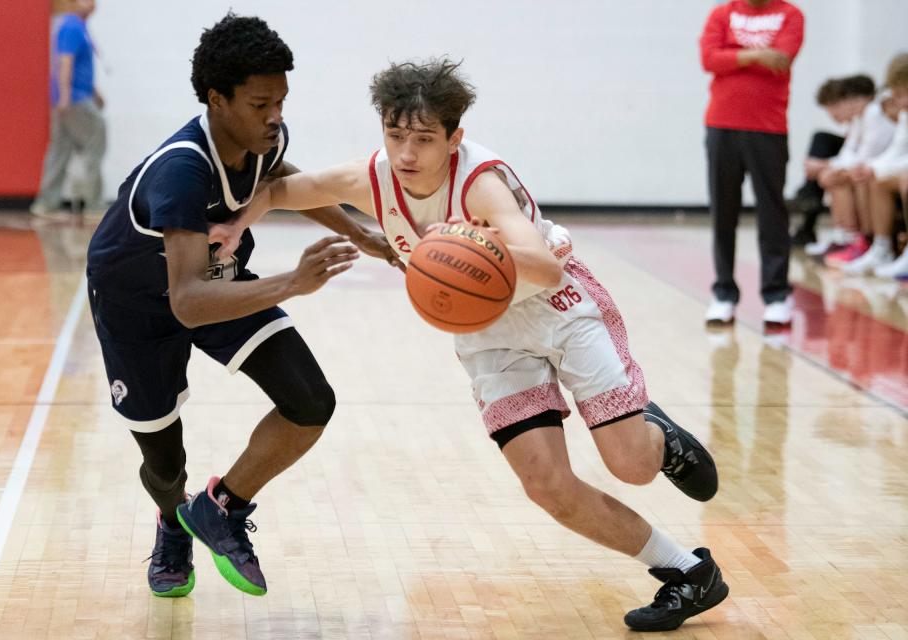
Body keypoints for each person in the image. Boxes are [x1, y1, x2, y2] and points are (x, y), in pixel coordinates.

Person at [210, 59, 728, 633]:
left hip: (558, 308)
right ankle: (686, 572)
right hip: (487, 333)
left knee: (631, 465)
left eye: (424, 139)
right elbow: (285, 189)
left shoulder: (481, 181)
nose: (406, 153)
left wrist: (473, 242)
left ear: (454, 138)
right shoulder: (374, 176)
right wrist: (237, 225)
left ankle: (661, 439)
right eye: (395, 134)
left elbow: (546, 271)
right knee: (547, 486)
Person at [85, 14, 397, 599]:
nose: (275, 115)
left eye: (280, 100)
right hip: (140, 305)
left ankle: (219, 507)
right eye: (260, 104)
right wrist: (293, 282)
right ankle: (172, 519)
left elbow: (280, 173)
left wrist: (365, 235)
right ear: (216, 99)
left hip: (213, 280)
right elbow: (188, 303)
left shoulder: (265, 137)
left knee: (311, 402)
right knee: (163, 463)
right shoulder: (180, 170)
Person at [699, 0, 804, 327]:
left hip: (768, 128)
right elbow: (709, 59)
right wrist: (757, 55)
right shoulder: (722, 13)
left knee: (772, 212)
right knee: (723, 211)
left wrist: (733, 56)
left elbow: (782, 60)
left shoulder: (790, 15)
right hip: (721, 126)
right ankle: (724, 293)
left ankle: (776, 295)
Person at [803, 75, 896, 273]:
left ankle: (865, 241)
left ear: (852, 99)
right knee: (837, 176)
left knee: (855, 178)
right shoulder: (859, 118)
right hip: (876, 165)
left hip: (880, 167)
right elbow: (849, 152)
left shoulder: (872, 112)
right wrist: (830, 168)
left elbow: (865, 155)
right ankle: (848, 239)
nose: (833, 114)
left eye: (834, 107)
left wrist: (829, 168)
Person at [31, 0, 107, 218]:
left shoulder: (79, 26)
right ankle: (95, 204)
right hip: (74, 100)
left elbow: (80, 66)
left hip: (73, 98)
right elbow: (65, 62)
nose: (92, 4)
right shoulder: (71, 26)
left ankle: (46, 204)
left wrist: (94, 92)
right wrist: (64, 96)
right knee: (95, 142)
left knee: (60, 150)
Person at [866, 53, 908, 280]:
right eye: (897, 94)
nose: (899, 101)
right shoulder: (905, 115)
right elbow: (898, 151)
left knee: (905, 179)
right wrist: (871, 168)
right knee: (877, 181)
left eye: (903, 94)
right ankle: (880, 247)